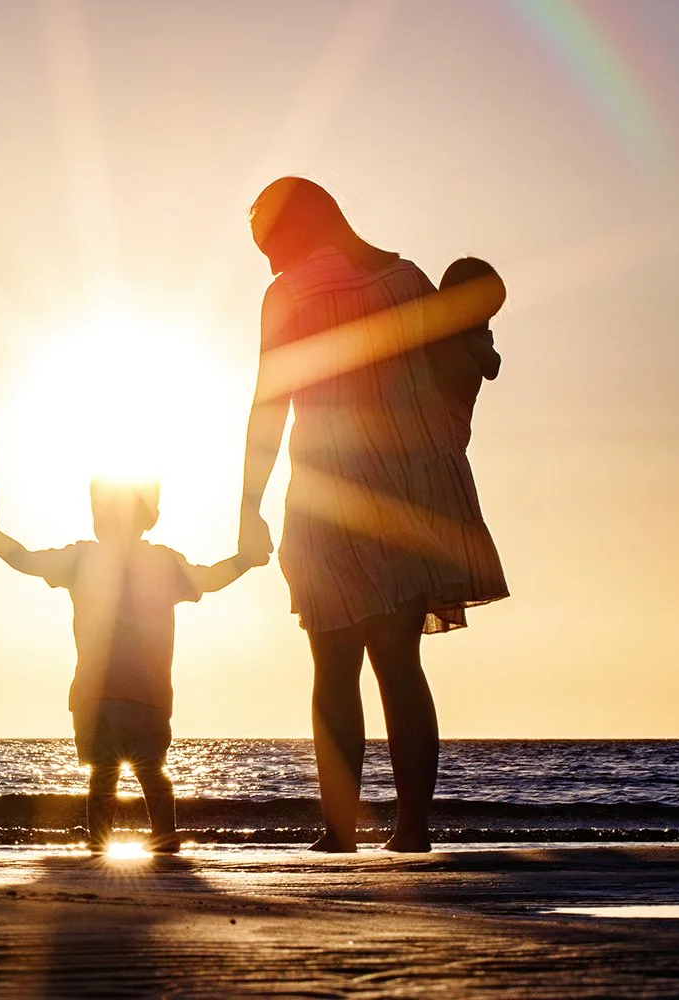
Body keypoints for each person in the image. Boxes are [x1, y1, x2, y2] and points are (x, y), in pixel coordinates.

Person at [236, 177, 507, 853]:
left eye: (270, 246)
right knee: (399, 662)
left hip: (331, 493)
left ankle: (339, 832)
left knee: (334, 667)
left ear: (298, 231)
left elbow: (270, 402)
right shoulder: (408, 278)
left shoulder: (289, 294)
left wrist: (248, 502)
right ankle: (411, 829)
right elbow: (448, 382)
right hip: (406, 493)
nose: (269, 263)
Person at [0, 480, 260, 853]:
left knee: (106, 775)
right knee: (146, 773)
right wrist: (246, 560)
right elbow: (209, 578)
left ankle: (105, 841)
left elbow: (25, 559)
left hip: (104, 696)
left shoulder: (83, 558)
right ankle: (159, 837)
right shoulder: (159, 561)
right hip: (142, 696)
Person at [425, 257, 506, 454]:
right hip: (433, 432)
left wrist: (477, 345)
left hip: (453, 438)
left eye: (490, 316)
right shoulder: (435, 330)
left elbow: (493, 366)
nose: (485, 321)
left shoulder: (479, 337)